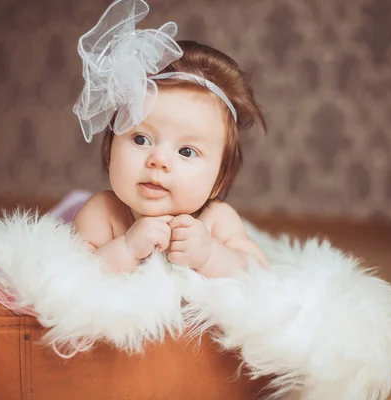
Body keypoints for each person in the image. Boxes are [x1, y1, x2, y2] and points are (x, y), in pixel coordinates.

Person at [73, 0, 267, 277]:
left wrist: (210, 254)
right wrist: (126, 249)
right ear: (109, 150)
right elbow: (71, 277)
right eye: (140, 139)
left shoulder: (217, 219)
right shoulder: (104, 212)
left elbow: (258, 273)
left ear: (219, 181)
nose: (158, 161)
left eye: (187, 151)